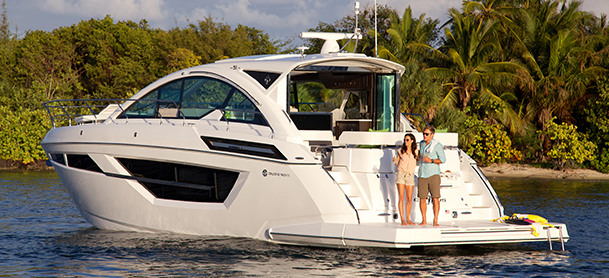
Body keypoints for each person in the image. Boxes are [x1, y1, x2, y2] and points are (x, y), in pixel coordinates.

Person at [418, 126, 446, 227]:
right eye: (423, 134)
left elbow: (443, 159)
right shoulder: (421, 143)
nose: (424, 136)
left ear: (432, 135)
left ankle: (435, 220)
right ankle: (424, 220)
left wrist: (432, 160)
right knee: (422, 198)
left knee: (435, 198)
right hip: (422, 173)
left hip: (433, 174)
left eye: (427, 134)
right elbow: (419, 156)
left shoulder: (437, 145)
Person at [393, 133, 418, 225]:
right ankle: (402, 219)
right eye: (405, 140)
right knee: (401, 197)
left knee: (409, 198)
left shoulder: (416, 151)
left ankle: (408, 218)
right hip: (401, 174)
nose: (406, 141)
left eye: (407, 140)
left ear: (412, 141)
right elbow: (397, 162)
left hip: (410, 175)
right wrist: (395, 160)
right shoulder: (401, 151)